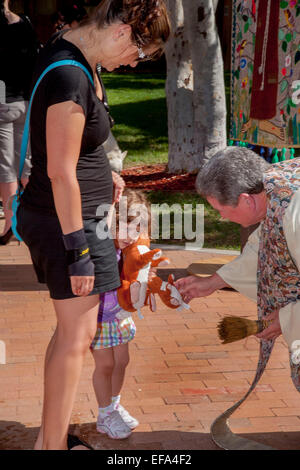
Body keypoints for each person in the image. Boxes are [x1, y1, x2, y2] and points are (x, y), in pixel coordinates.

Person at [16, 0, 171, 450]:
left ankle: (47, 438)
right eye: (139, 54)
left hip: (76, 216)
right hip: (73, 224)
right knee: (77, 339)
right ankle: (50, 447)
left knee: (70, 334)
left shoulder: (72, 56)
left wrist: (109, 176)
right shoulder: (70, 75)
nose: (135, 63)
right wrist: (79, 251)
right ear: (123, 32)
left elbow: (71, 152)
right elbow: (61, 173)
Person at [175, 146, 300, 390]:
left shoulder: (296, 216)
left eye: (221, 211)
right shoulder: (276, 188)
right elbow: (266, 246)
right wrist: (213, 281)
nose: (222, 218)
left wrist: (289, 318)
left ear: (246, 200)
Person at [90, 188, 152, 440]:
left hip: (119, 316)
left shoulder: (131, 253)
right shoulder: (102, 248)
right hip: (98, 318)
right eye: (126, 228)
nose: (132, 235)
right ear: (112, 223)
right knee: (105, 364)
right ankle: (104, 415)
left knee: (122, 362)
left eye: (137, 229)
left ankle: (114, 406)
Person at [0, 0, 39, 244]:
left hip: (1, 102)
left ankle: (11, 223)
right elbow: (34, 59)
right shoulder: (25, 22)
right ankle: (39, 216)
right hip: (25, 102)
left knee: (6, 166)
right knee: (26, 164)